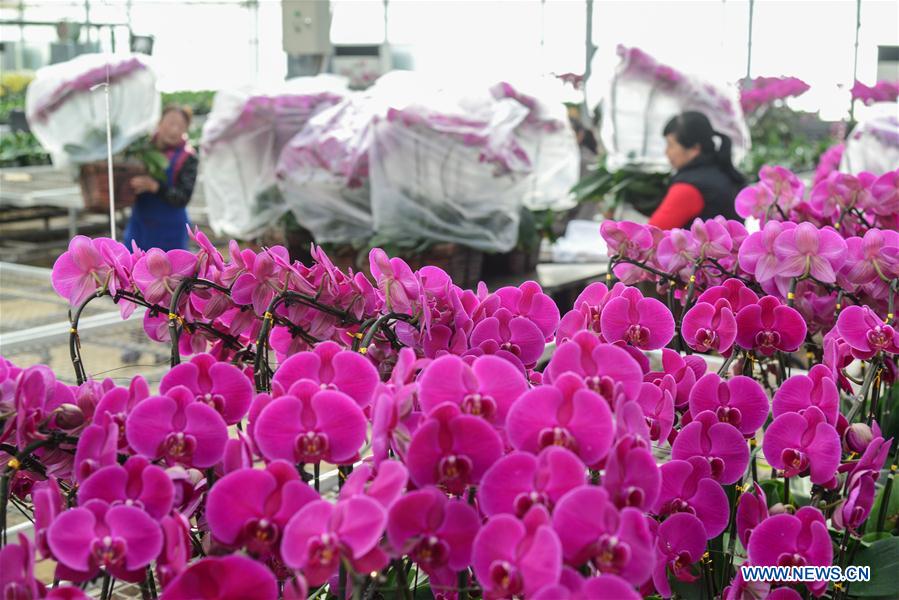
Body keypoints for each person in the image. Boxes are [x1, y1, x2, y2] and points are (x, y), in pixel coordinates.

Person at [648, 111, 745, 229]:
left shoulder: (688, 187)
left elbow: (652, 234)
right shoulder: (725, 173)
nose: (666, 152)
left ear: (694, 149)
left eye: (671, 145)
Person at [124, 104, 198, 251]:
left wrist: (155, 187)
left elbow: (183, 197)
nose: (174, 129)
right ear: (159, 122)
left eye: (181, 126)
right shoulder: (141, 150)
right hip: (140, 228)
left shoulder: (188, 157)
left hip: (171, 232)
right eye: (171, 123)